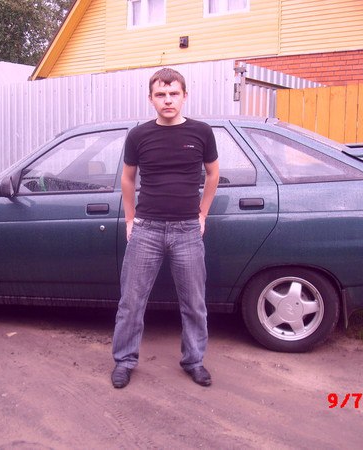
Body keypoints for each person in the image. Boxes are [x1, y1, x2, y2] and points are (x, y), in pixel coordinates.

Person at [111, 67, 219, 388]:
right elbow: (127, 178)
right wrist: (130, 219)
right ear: (151, 99)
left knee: (194, 303)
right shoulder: (139, 136)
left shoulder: (201, 132)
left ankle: (194, 360)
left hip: (188, 230)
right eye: (161, 94)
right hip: (147, 229)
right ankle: (124, 361)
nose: (168, 100)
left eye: (174, 94)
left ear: (184, 96)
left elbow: (213, 174)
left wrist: (203, 214)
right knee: (131, 302)